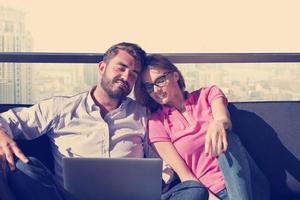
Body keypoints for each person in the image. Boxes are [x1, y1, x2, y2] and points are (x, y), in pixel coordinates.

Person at [0, 42, 174, 200]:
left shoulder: (143, 114)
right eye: (120, 68)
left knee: (191, 189)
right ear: (102, 67)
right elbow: (8, 120)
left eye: (134, 74)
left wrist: (156, 184)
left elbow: (164, 161)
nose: (126, 76)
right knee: (22, 168)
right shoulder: (61, 108)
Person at [134, 54, 270, 200]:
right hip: (213, 195)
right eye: (149, 86)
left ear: (175, 75)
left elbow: (223, 119)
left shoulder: (207, 94)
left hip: (249, 185)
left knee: (226, 135)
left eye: (160, 80)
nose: (156, 90)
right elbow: (186, 176)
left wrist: (218, 123)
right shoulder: (156, 123)